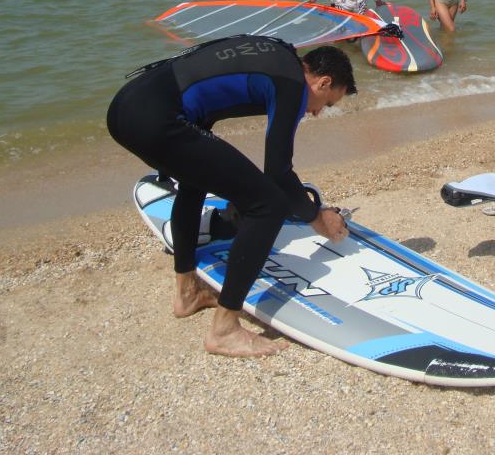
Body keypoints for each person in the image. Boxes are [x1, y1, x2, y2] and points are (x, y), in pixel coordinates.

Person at [107, 36, 356, 357]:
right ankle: (224, 331)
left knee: (194, 179)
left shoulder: (278, 54)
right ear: (323, 82)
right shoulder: (292, 83)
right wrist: (316, 216)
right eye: (328, 103)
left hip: (126, 107)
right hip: (155, 118)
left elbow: (206, 88)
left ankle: (187, 295)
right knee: (268, 206)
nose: (319, 112)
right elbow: (278, 172)